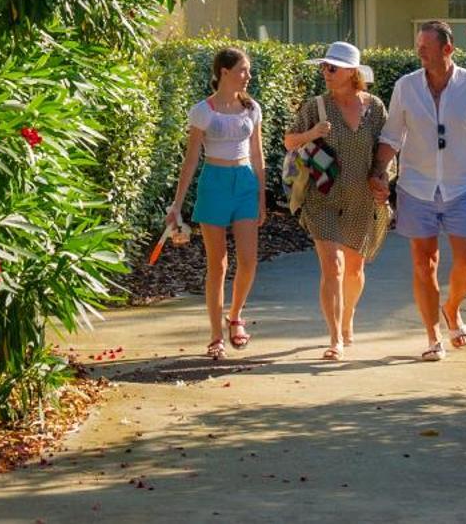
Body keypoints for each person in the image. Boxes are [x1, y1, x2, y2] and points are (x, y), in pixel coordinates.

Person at [371, 21, 466, 361]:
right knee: (424, 263)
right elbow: (392, 136)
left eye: (426, 47)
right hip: (416, 186)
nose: (420, 52)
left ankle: (451, 307)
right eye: (418, 46)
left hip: (462, 185)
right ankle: (433, 336)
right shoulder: (406, 86)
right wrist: (378, 172)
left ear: (447, 49)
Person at [283, 40, 387, 361]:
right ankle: (334, 338)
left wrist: (383, 180)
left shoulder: (375, 108)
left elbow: (385, 151)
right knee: (333, 267)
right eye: (323, 67)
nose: (325, 72)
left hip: (361, 198)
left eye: (332, 67)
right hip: (322, 197)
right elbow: (289, 141)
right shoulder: (315, 107)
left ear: (352, 72)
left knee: (354, 270)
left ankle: (347, 317)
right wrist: (312, 133)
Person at [166, 47, 266, 359]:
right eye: (242, 70)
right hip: (214, 184)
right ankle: (214, 335)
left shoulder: (252, 108)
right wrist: (177, 204)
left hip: (245, 183)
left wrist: (262, 195)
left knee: (249, 261)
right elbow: (191, 157)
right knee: (218, 264)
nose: (247, 76)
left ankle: (235, 316)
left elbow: (258, 154)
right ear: (224, 71)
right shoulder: (203, 111)